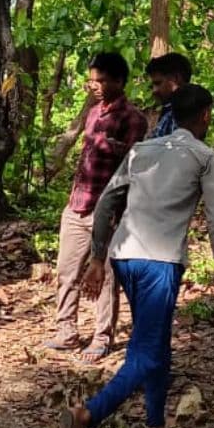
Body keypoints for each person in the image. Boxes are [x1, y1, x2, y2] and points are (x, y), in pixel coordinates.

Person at [55, 84, 214, 428]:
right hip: (160, 262)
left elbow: (106, 203)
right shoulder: (204, 157)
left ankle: (155, 427)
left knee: (154, 342)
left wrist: (99, 257)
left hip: (125, 256)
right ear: (205, 115)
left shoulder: (142, 151)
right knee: (147, 352)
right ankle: (86, 414)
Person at [46, 52, 148, 362]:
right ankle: (66, 329)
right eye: (93, 79)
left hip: (109, 209)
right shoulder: (92, 113)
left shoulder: (133, 118)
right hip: (78, 203)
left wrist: (106, 143)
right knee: (67, 270)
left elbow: (134, 163)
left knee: (104, 276)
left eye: (103, 80)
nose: (97, 86)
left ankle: (103, 336)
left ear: (119, 80)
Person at [145, 52, 192, 139]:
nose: (154, 90)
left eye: (158, 83)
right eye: (152, 86)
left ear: (175, 79)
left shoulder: (181, 114)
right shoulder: (168, 111)